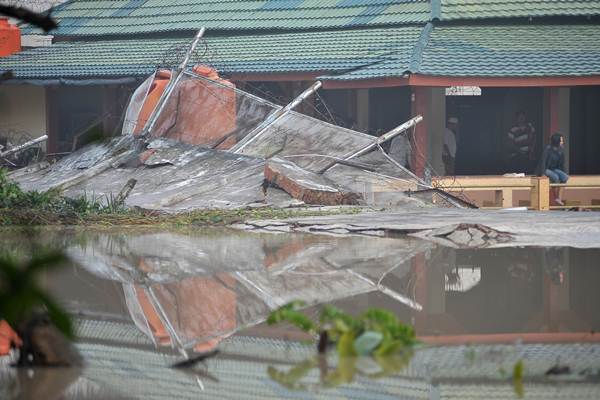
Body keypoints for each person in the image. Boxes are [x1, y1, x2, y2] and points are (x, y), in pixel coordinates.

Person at [537, 132, 569, 206]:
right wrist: (543, 173)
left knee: (565, 177)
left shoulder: (561, 149)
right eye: (561, 140)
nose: (562, 142)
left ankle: (559, 198)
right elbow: (543, 162)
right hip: (546, 169)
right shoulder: (548, 149)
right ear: (556, 141)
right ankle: (556, 197)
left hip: (554, 168)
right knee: (555, 177)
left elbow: (562, 163)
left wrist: (563, 172)